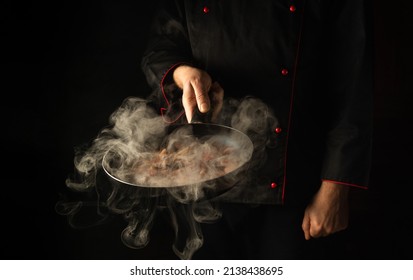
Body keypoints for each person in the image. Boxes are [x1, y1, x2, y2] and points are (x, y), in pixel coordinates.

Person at [140, 0, 373, 259]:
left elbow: (353, 80)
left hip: (293, 179)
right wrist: (182, 73)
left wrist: (335, 188)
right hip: (204, 175)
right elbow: (161, 46)